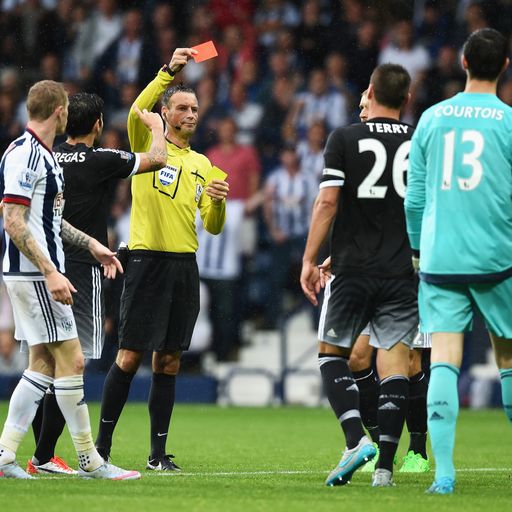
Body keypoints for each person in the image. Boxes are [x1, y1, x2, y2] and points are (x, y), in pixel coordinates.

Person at [94, 48, 229, 471]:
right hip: (146, 262)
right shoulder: (146, 143)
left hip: (184, 267)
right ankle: (100, 449)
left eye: (195, 108)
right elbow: (137, 109)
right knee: (129, 356)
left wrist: (218, 203)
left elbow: (213, 226)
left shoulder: (205, 164)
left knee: (168, 359)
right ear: (166, 112)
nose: (191, 114)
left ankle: (156, 455)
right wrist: (168, 72)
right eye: (182, 108)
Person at [0, 80, 139, 480]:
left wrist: (92, 244)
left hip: (34, 270)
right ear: (60, 111)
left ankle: (7, 453)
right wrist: (51, 272)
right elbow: (12, 220)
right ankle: (89, 460)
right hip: (36, 273)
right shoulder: (29, 156)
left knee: (42, 364)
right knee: (73, 361)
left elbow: (49, 220)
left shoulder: (37, 155)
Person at [26, 91, 168, 476]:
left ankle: (37, 454)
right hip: (82, 266)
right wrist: (157, 128)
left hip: (41, 265)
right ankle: (43, 456)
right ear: (98, 125)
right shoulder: (100, 158)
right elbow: (158, 160)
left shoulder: (48, 157)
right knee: (74, 363)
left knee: (42, 361)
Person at [405, 28, 512, 495]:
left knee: (444, 359)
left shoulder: (432, 118)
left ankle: (444, 475)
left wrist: (415, 248)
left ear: (464, 62)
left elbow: (415, 197)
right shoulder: (508, 122)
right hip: (497, 256)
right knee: (507, 358)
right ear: (504, 67)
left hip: (442, 256)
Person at [301, 64, 417, 488]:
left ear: (370, 92)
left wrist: (310, 258)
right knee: (396, 364)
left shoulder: (346, 137)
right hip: (401, 269)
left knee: (332, 353)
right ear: (406, 98)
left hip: (353, 268)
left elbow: (327, 203)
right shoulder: (417, 138)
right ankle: (385, 468)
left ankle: (355, 441)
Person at [329, 89, 430, 474]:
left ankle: (417, 449)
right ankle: (371, 443)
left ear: (377, 100)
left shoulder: (409, 141)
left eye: (364, 104)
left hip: (405, 265)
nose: (361, 111)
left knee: (410, 358)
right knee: (356, 356)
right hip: (364, 265)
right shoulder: (357, 143)